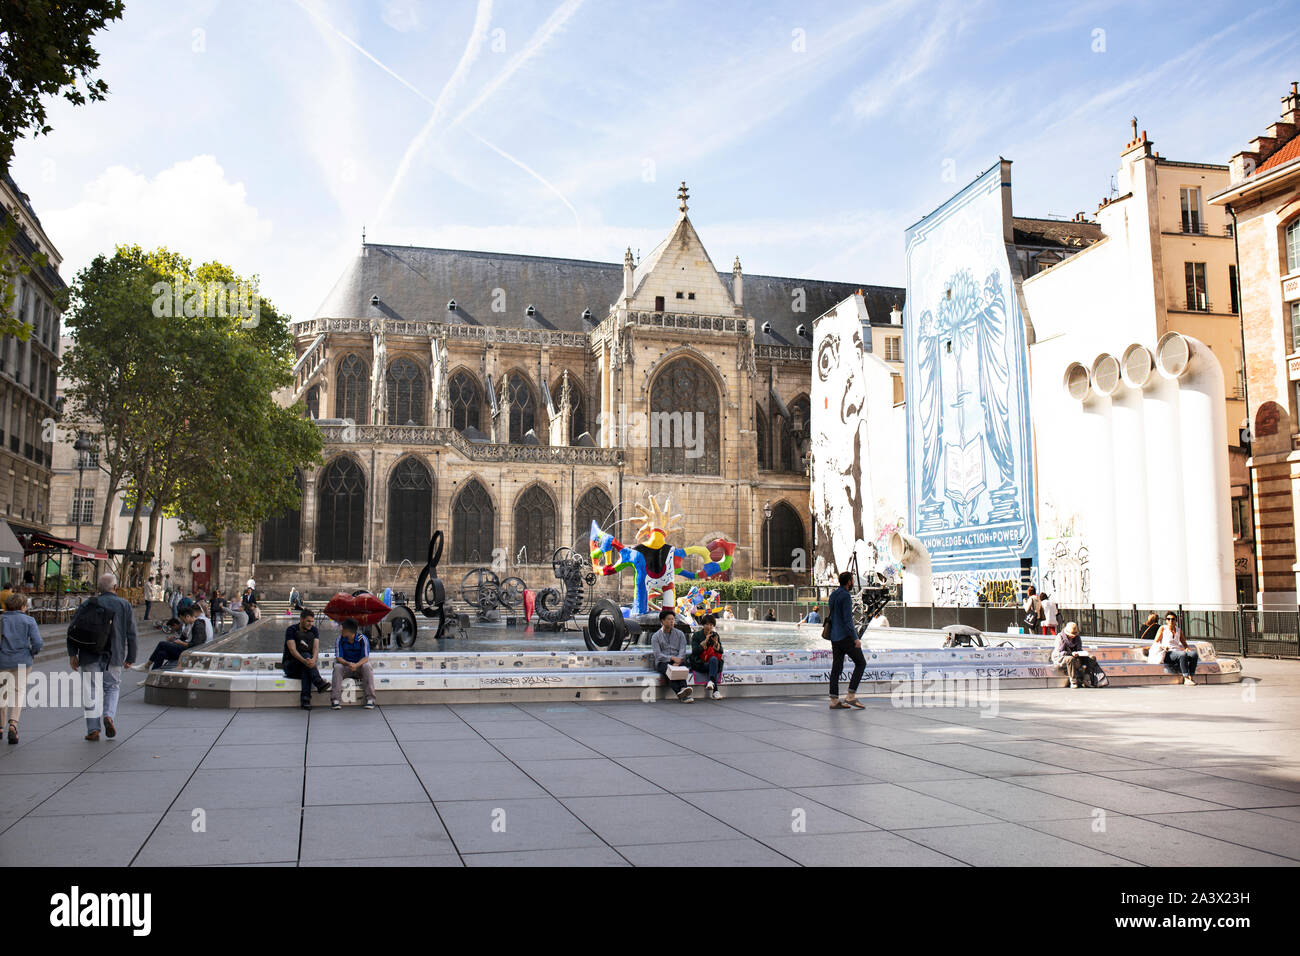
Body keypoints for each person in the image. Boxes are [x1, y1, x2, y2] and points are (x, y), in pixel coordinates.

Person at [68, 573, 137, 741]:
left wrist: (72, 653)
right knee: (112, 687)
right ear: (115, 587)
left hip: (88, 653)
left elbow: (73, 629)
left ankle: (93, 729)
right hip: (113, 654)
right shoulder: (124, 605)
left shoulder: (87, 604)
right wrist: (131, 656)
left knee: (90, 690)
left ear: (98, 588)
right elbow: (131, 633)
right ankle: (108, 715)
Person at [0, 592, 43, 744]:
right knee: (18, 692)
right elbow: (37, 643)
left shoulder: (1, 620)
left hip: (2, 661)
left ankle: (0, 727)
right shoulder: (29, 620)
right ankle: (13, 725)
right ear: (23, 606)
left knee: (2, 693)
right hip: (22, 661)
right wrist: (31, 653)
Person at [827, 571, 866, 709]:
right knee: (861, 663)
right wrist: (855, 638)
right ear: (849, 582)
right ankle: (851, 695)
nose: (853, 582)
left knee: (836, 666)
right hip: (845, 636)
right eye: (852, 580)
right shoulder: (845, 596)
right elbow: (848, 620)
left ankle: (834, 699)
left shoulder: (833, 595)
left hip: (834, 636)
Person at [282, 609, 330, 709]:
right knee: (305, 657)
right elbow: (292, 650)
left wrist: (313, 660)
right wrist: (305, 660)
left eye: (312, 621)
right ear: (301, 619)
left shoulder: (314, 630)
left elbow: (316, 648)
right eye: (308, 621)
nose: (310, 624)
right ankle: (318, 682)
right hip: (290, 665)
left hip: (306, 664)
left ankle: (305, 700)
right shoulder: (291, 630)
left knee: (306, 668)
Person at [144, 602, 210, 671]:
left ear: (188, 616)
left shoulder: (198, 625)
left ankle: (147, 665)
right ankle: (153, 675)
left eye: (183, 619)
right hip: (186, 649)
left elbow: (197, 644)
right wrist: (177, 640)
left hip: (189, 651)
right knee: (161, 653)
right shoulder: (191, 624)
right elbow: (185, 637)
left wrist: (181, 643)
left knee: (162, 644)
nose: (182, 621)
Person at [331, 617, 375, 709]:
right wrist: (348, 664)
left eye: (342, 628)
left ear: (348, 630)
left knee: (367, 666)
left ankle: (370, 699)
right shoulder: (340, 640)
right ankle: (335, 700)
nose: (340, 629)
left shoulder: (362, 639)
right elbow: (339, 658)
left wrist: (356, 665)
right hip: (346, 668)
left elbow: (365, 658)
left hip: (359, 668)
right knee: (338, 667)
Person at [650, 607, 693, 702]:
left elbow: (682, 650)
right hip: (663, 662)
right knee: (669, 670)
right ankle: (683, 692)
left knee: (679, 668)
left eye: (673, 619)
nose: (671, 621)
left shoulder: (680, 634)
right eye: (669, 619)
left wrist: (678, 660)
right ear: (662, 621)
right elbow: (658, 655)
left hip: (678, 661)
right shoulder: (656, 637)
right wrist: (672, 658)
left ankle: (682, 693)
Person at [1152, 611, 1198, 685]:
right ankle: (1185, 678)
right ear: (1166, 620)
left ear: (1176, 621)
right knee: (1182, 654)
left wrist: (1187, 648)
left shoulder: (1179, 630)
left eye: (1173, 619)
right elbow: (1155, 642)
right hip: (1167, 653)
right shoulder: (1163, 628)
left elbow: (1184, 643)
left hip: (1177, 652)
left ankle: (1191, 677)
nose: (1171, 621)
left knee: (1193, 654)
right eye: (1168, 619)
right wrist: (1163, 646)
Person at [687, 613, 724, 700]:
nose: (709, 627)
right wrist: (704, 642)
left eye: (711, 625)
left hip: (712, 662)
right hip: (700, 663)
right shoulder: (696, 635)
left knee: (714, 660)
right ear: (703, 625)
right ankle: (715, 691)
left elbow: (721, 651)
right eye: (707, 624)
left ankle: (711, 682)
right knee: (713, 665)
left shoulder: (715, 635)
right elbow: (695, 651)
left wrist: (716, 643)